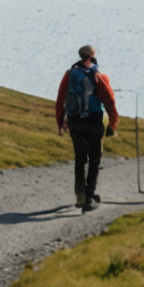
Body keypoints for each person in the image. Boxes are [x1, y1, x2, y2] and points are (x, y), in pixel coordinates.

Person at [54, 44, 119, 212]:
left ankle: (80, 196)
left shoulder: (69, 75)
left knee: (80, 160)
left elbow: (61, 98)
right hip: (94, 121)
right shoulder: (98, 75)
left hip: (75, 121)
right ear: (91, 56)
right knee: (95, 160)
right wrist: (113, 122)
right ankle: (90, 197)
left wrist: (61, 122)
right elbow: (109, 100)